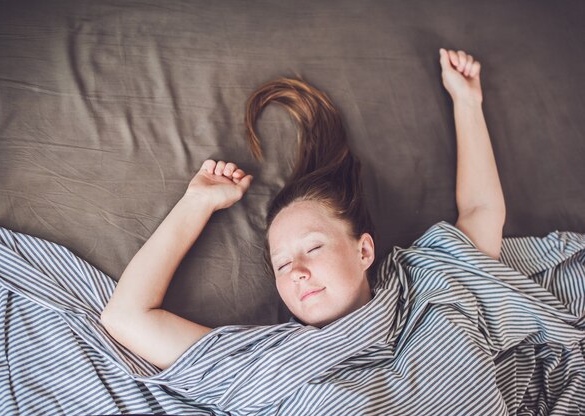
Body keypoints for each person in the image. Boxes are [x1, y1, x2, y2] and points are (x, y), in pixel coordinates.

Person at [100, 47, 506, 371]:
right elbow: (126, 317)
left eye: (313, 248)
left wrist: (466, 102)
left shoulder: (427, 292)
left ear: (364, 251)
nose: (295, 273)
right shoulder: (264, 360)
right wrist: (196, 203)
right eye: (280, 265)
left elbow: (481, 211)